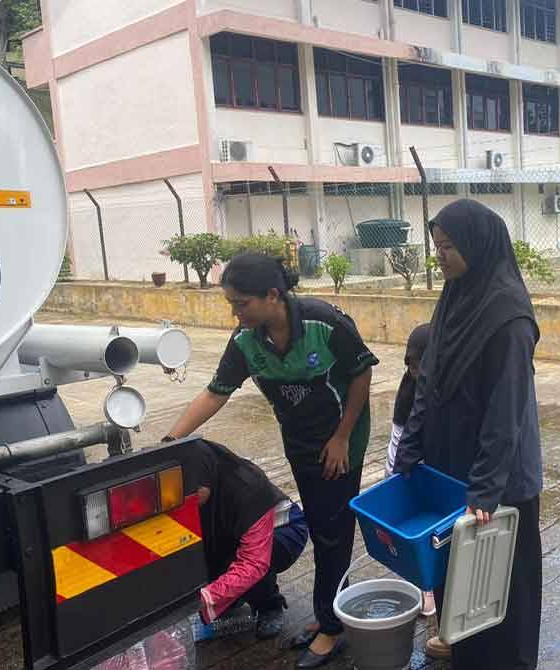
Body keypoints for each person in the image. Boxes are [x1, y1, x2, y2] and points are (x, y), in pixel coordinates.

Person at [164, 254, 378, 669]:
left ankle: (333, 629)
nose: (235, 312)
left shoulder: (323, 322)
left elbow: (362, 373)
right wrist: (171, 440)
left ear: (273, 295)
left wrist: (342, 437)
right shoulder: (246, 340)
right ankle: (328, 614)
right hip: (299, 444)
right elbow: (215, 392)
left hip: (340, 440)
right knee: (321, 525)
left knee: (332, 531)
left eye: (241, 303)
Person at [393, 200, 543, 669]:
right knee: (459, 582)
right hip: (449, 468)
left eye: (450, 247)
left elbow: (507, 409)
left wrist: (484, 489)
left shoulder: (509, 316)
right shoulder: (454, 298)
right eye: (437, 246)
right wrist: (411, 448)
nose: (441, 256)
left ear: (479, 246)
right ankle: (468, 654)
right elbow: (428, 381)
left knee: (505, 587)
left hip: (499, 481)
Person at [182, 439, 308, 638]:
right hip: (236, 536)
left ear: (205, 476)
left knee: (245, 567)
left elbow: (253, 563)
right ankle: (235, 596)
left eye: (194, 490)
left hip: (285, 531)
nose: (189, 497)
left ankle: (269, 605)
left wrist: (206, 597)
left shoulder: (247, 488)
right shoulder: (205, 488)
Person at [384, 323, 438, 620]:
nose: (415, 371)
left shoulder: (444, 388)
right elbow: (398, 439)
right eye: (411, 364)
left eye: (421, 364)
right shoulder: (408, 392)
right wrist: (395, 479)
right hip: (413, 470)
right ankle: (425, 588)